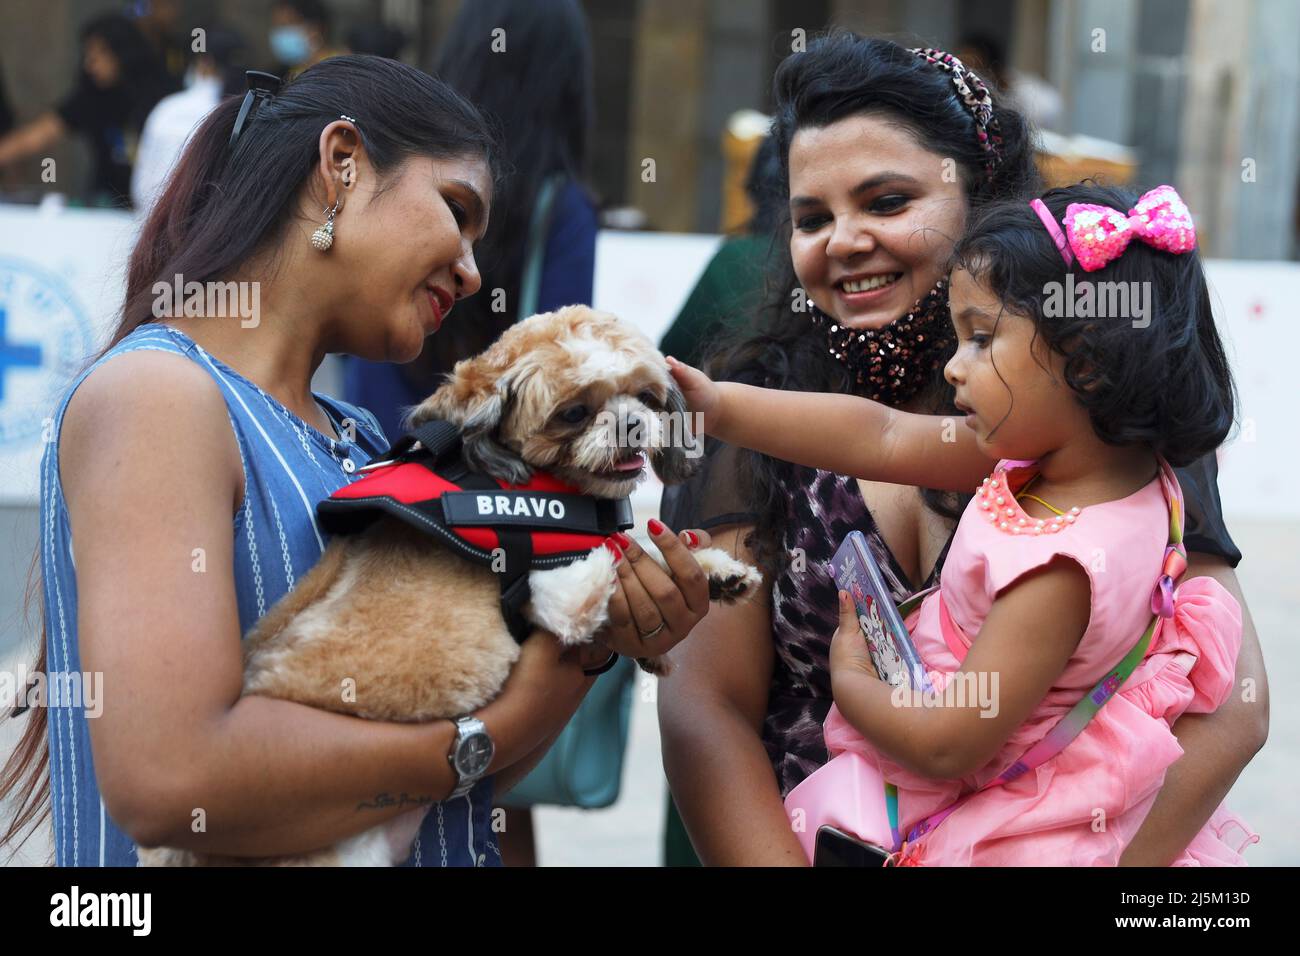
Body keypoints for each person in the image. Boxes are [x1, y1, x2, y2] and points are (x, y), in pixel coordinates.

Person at [0, 54, 713, 867]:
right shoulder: (160, 395)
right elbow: (170, 780)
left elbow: (456, 782)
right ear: (341, 165)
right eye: (457, 210)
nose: (474, 273)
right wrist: (482, 739)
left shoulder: (366, 443)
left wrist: (592, 640)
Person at [657, 32, 1268, 867]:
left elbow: (1232, 704)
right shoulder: (766, 410)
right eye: (810, 218)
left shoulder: (1104, 423)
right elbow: (706, 709)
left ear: (979, 197)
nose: (842, 240)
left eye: (886, 202)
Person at [345, 0, 607, 867]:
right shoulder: (561, 207)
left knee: (366, 774)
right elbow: (559, 375)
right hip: (505, 524)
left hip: (386, 492)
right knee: (489, 792)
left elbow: (373, 367)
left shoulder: (395, 196)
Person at [0, 13, 176, 207]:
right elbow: (36, 136)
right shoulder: (91, 96)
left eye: (100, 53)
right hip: (105, 202)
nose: (90, 62)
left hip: (156, 204)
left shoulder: (164, 98)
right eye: (88, 53)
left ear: (123, 52)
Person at [131, 27, 247, 211]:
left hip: (157, 222)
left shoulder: (168, 108)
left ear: (204, 63)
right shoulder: (245, 115)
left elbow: (141, 186)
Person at [269, 0, 347, 77]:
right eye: (278, 26)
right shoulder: (291, 74)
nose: (282, 33)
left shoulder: (344, 68)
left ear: (316, 28)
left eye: (288, 25)